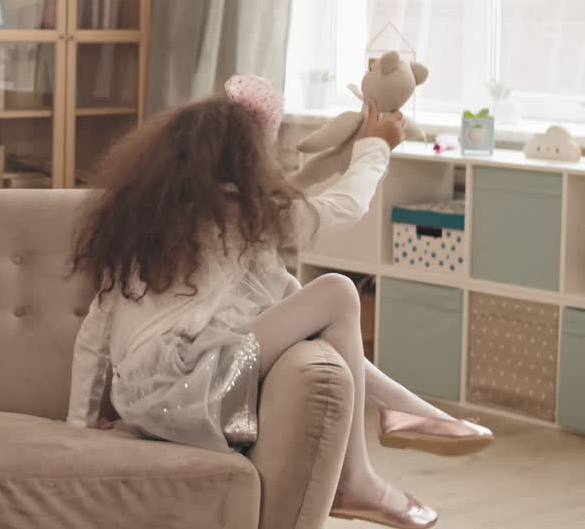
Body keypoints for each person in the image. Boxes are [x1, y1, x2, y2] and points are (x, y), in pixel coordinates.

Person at [66, 75, 491, 529]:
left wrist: (79, 427)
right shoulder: (245, 220)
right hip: (201, 393)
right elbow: (345, 206)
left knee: (283, 293)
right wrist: (375, 148)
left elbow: (93, 337)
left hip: (145, 404)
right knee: (336, 291)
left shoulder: (141, 229)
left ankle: (400, 408)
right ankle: (358, 475)